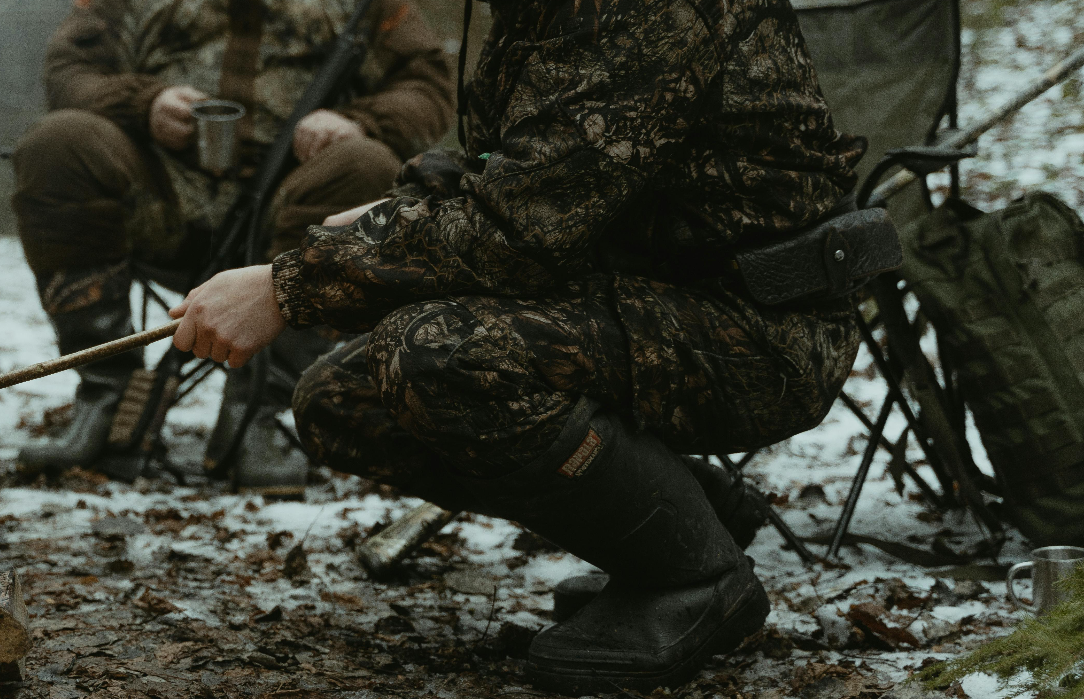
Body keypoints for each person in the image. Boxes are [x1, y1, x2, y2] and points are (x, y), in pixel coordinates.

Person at [166, 0, 866, 692]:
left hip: (760, 326)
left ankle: (695, 580)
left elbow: (512, 237)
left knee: (439, 357)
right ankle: (688, 515)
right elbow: (513, 161)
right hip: (648, 296)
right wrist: (404, 202)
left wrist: (287, 287)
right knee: (340, 399)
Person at [11, 0, 454, 494]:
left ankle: (263, 413)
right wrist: (145, 103)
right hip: (159, 199)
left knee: (365, 163)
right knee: (59, 143)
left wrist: (359, 122)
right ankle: (105, 394)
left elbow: (428, 87)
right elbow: (69, 71)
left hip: (292, 207)